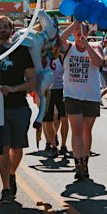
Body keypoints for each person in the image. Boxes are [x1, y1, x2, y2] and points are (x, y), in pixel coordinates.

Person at [0, 16, 36, 202]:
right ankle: (5, 187)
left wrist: (14, 88)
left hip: (19, 106)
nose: (2, 29)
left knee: (17, 147)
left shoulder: (21, 51)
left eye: (6, 26)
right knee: (2, 147)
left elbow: (32, 80)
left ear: (11, 29)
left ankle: (11, 174)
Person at [60, 20, 105, 180]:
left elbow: (98, 62)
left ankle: (85, 162)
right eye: (77, 29)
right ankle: (78, 165)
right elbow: (59, 40)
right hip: (73, 95)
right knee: (77, 130)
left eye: (82, 29)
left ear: (87, 32)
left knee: (87, 131)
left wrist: (87, 45)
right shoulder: (68, 47)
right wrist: (73, 24)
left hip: (91, 96)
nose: (79, 32)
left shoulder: (96, 46)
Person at [40, 25, 67, 157]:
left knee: (64, 117)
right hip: (47, 91)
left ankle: (63, 145)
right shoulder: (41, 55)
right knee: (48, 119)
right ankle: (53, 144)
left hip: (61, 89)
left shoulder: (62, 55)